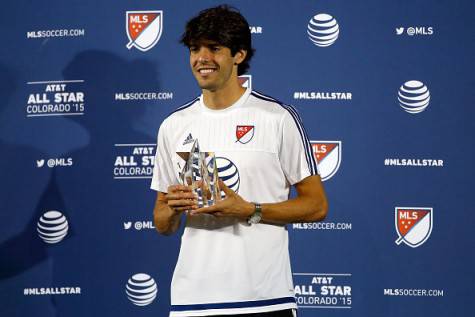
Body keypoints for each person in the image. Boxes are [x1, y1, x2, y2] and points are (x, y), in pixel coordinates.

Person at [151, 5, 328, 317]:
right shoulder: (174, 125)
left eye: (214, 48)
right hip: (193, 302)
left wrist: (249, 210)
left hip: (265, 298)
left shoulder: (277, 118)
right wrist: (172, 209)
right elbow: (162, 223)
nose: (201, 58)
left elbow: (316, 205)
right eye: (195, 49)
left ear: (239, 55)